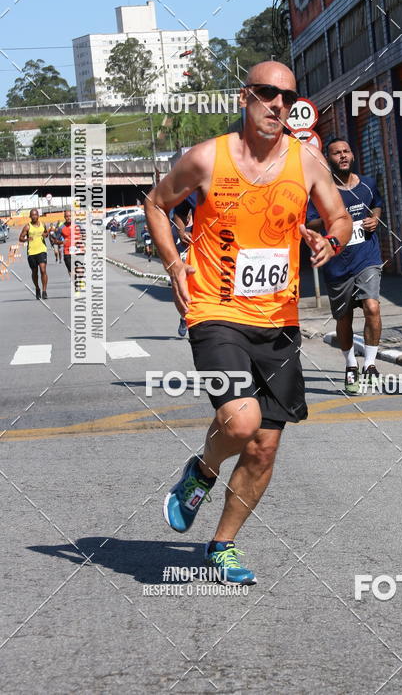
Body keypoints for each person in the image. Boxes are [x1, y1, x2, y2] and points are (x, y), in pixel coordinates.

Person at [145, 61, 351, 585]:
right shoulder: (206, 158)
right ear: (246, 97)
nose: (276, 104)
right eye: (266, 93)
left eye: (286, 96)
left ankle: (222, 545)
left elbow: (340, 217)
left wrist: (332, 239)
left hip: (278, 320)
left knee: (264, 445)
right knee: (241, 422)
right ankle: (202, 472)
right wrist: (175, 266)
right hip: (215, 311)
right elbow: (155, 204)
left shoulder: (306, 160)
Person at [307, 138, 384, 395]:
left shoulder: (367, 184)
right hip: (337, 261)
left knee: (372, 306)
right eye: (336, 153)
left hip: (367, 257)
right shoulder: (322, 191)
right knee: (344, 318)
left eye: (346, 151)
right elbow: (309, 224)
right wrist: (336, 219)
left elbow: (377, 205)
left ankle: (370, 365)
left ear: (352, 155)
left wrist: (374, 219)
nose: (342, 156)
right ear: (328, 160)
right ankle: (351, 365)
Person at [171, 194, 196, 337]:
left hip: (197, 266)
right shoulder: (175, 231)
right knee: (183, 294)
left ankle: (188, 319)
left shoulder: (199, 227)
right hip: (181, 266)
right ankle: (183, 317)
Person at [19, 208, 48, 299]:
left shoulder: (43, 225)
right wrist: (27, 239)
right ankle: (37, 288)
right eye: (32, 215)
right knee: (34, 272)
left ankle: (44, 291)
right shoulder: (27, 227)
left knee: (43, 270)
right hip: (31, 252)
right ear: (30, 216)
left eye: (36, 214)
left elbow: (46, 233)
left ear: (38, 216)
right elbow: (20, 238)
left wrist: (45, 235)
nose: (34, 216)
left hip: (42, 250)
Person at [57, 210, 82, 277]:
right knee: (71, 270)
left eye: (70, 216)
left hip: (78, 249)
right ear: (64, 217)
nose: (68, 218)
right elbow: (56, 240)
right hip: (67, 251)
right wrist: (62, 242)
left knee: (80, 270)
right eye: (67, 216)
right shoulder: (61, 228)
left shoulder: (78, 225)